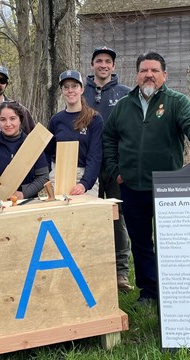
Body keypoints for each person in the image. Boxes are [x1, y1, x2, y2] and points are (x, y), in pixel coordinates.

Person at [102, 51, 190, 304]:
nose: (149, 75)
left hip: (168, 186)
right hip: (131, 186)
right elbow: (109, 138)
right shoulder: (123, 105)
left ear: (164, 75)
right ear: (137, 75)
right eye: (144, 70)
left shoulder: (177, 102)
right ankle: (149, 291)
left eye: (154, 70)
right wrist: (116, 171)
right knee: (141, 242)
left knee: (171, 243)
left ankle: (175, 291)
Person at [83, 46, 134, 292]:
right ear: (92, 65)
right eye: (99, 61)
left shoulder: (125, 94)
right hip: (88, 168)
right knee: (88, 219)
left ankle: (120, 272)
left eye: (108, 61)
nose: (103, 65)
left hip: (116, 166)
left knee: (117, 217)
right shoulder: (80, 94)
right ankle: (91, 268)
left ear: (113, 67)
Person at [0, 101, 49, 202]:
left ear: (20, 120)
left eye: (12, 118)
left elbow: (43, 177)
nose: (8, 124)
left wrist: (24, 193)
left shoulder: (33, 145)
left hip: (26, 204)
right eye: (3, 119)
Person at [45, 70, 103, 197]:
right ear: (62, 92)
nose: (70, 90)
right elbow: (47, 152)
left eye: (74, 86)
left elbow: (95, 155)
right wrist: (48, 177)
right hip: (58, 176)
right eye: (66, 87)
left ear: (82, 89)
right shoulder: (56, 120)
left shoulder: (94, 119)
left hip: (83, 177)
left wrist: (85, 183)